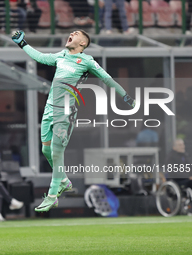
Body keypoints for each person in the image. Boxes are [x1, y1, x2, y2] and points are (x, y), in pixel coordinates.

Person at [11, 30, 136, 212]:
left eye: (76, 34)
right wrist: (22, 43)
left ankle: (52, 196)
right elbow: (39, 56)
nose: (71, 34)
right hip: (49, 108)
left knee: (56, 152)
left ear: (83, 43)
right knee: (46, 149)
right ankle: (62, 179)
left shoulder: (87, 61)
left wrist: (124, 95)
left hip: (66, 111)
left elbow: (107, 79)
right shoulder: (61, 56)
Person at [164, 138, 192, 213]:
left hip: (189, 179)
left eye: (183, 144)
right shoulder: (171, 157)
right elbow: (172, 171)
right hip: (178, 180)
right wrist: (188, 177)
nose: (182, 146)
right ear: (174, 147)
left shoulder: (185, 156)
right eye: (180, 145)